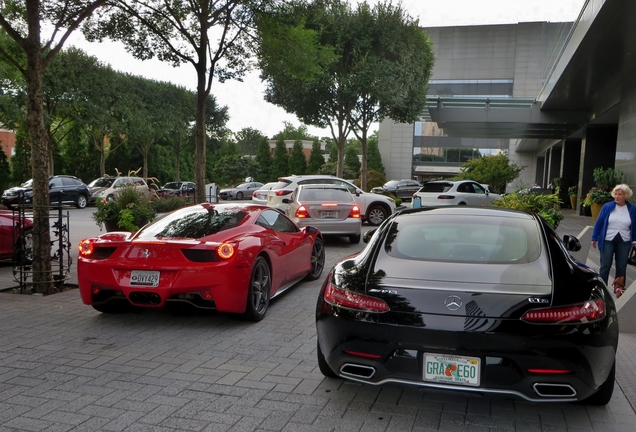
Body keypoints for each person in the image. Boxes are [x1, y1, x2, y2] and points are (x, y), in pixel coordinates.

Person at [591, 184, 636, 298]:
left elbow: (635, 226)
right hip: (608, 239)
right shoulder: (607, 206)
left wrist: (634, 240)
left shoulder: (632, 208)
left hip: (624, 240)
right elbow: (599, 222)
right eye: (615, 194)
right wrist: (594, 238)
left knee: (621, 266)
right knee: (605, 265)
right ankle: (602, 289)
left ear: (626, 196)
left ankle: (619, 289)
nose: (617, 196)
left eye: (619, 194)